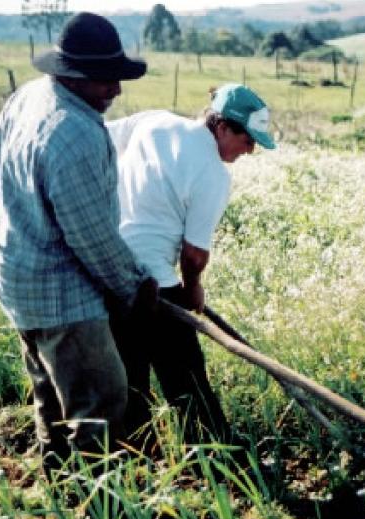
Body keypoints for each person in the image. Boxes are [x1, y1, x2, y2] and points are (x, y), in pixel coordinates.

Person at [0, 12, 160, 476]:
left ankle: (58, 486)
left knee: (50, 391)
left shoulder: (31, 95)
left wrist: (23, 212)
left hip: (16, 276)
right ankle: (101, 507)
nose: (115, 91)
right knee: (99, 401)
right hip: (62, 295)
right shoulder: (73, 134)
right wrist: (134, 289)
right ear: (71, 75)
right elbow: (93, 240)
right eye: (104, 80)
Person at [107, 83, 275, 453]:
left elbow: (99, 138)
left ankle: (135, 458)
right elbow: (195, 253)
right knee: (186, 377)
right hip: (154, 281)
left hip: (106, 268)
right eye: (249, 140)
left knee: (129, 373)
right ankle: (214, 455)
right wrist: (192, 287)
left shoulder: (153, 122)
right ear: (223, 126)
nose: (251, 150)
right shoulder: (213, 174)